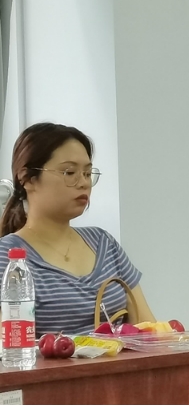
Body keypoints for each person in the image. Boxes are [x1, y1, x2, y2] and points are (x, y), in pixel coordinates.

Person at [0, 123, 155, 335]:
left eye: (88, 173)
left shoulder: (104, 243)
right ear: (27, 178)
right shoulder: (8, 257)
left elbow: (150, 329)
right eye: (70, 172)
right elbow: (9, 347)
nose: (84, 183)